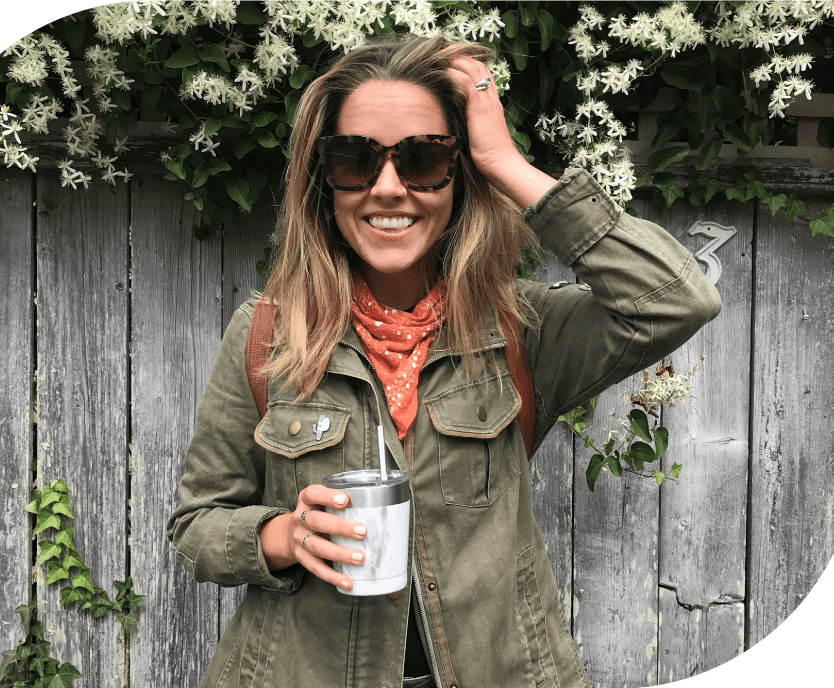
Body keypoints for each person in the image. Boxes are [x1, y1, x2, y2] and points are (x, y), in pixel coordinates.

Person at [167, 33, 720, 688]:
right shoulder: (267, 334)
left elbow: (678, 300)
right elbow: (198, 524)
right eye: (355, 159)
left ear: (461, 178)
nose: (389, 187)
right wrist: (283, 537)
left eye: (425, 159)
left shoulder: (524, 329)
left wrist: (504, 160)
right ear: (324, 181)